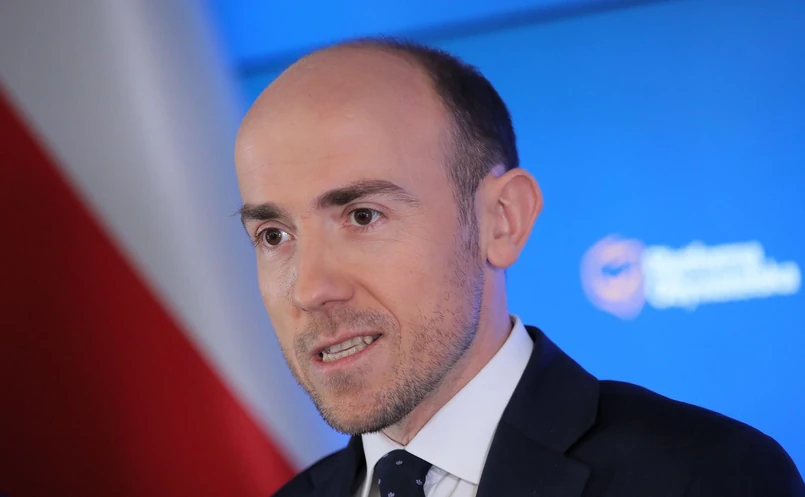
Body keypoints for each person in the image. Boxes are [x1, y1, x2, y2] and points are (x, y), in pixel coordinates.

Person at [233, 38, 804, 497]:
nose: (310, 288)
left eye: (363, 216)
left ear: (503, 219)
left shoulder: (706, 477)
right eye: (273, 235)